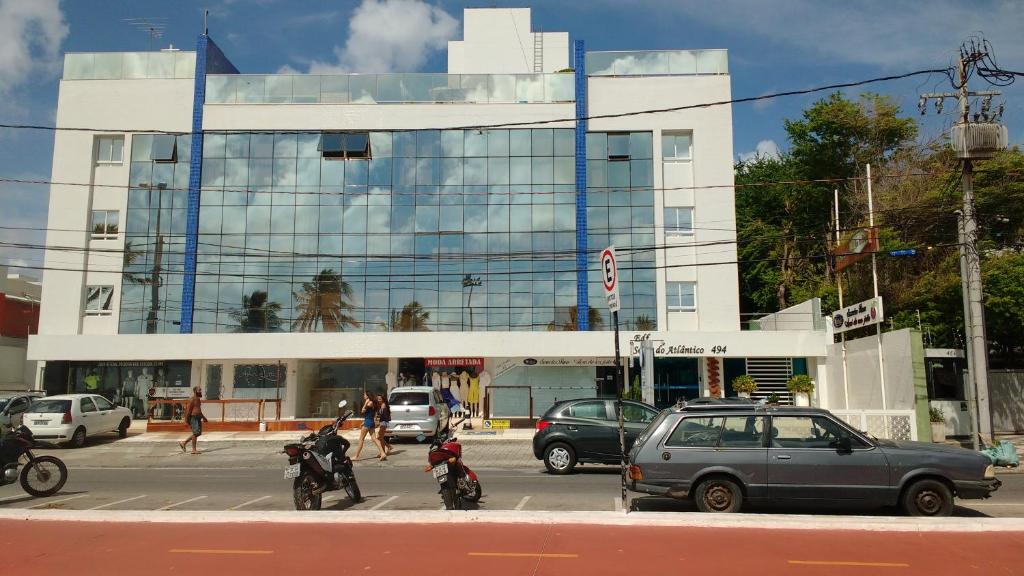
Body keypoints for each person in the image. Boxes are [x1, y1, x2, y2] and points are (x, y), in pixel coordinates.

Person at [353, 390, 386, 461]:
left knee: (361, 439)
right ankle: (383, 453)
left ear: (367, 396)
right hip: (370, 422)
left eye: (364, 395)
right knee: (374, 439)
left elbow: (362, 411)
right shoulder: (373, 402)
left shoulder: (370, 402)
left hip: (368, 422)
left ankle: (356, 456)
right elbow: (369, 414)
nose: (363, 396)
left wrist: (365, 403)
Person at [178, 387, 208, 455]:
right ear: (195, 391)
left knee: (198, 433)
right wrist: (186, 421)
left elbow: (199, 410)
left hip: (198, 417)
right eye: (199, 390)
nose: (200, 391)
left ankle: (184, 443)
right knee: (196, 433)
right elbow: (188, 410)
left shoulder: (198, 399)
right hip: (193, 418)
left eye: (201, 390)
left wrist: (203, 417)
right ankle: (193, 449)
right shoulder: (192, 399)